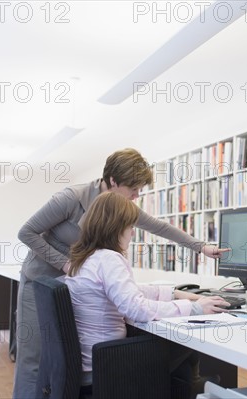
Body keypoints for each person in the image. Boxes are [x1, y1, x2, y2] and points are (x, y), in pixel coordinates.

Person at [13, 148, 229, 398]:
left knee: (64, 354)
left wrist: (201, 247)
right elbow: (26, 232)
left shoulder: (119, 210)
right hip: (43, 277)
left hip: (76, 281)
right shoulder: (72, 198)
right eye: (133, 189)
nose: (137, 196)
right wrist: (64, 264)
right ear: (113, 181)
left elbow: (160, 227)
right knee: (35, 357)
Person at [65, 191, 228, 391]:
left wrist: (175, 294)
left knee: (178, 356)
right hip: (108, 365)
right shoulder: (108, 259)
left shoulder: (86, 258)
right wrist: (194, 308)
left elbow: (129, 291)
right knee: (184, 341)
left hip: (94, 362)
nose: (132, 232)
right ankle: (197, 388)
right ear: (114, 227)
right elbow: (137, 309)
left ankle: (192, 387)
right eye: (130, 226)